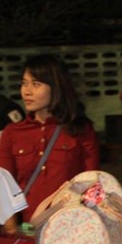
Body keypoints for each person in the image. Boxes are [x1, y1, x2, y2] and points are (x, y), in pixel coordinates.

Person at [0, 54, 100, 225]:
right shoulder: (13, 132)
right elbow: (3, 189)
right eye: (24, 83)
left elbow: (92, 183)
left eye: (36, 84)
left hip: (71, 227)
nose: (27, 91)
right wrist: (11, 227)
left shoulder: (80, 129)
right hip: (27, 228)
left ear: (56, 88)